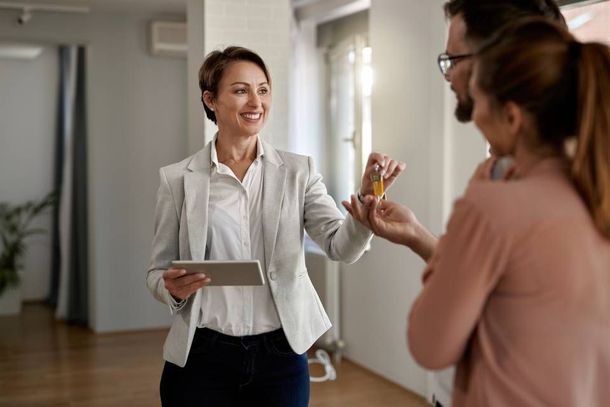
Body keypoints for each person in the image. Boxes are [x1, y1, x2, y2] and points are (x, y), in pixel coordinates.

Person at [355, 18, 610, 405]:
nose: (472, 115)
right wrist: (420, 236)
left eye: (477, 94)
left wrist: (474, 202)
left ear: (511, 116)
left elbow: (428, 345)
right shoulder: (595, 191)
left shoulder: (492, 202)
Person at [146, 46, 405, 406]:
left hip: (280, 356)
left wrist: (364, 202)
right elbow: (158, 270)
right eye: (240, 90)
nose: (256, 101)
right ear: (211, 100)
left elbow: (340, 246)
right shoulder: (177, 179)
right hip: (202, 355)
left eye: (263, 89)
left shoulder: (300, 172)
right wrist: (170, 288)